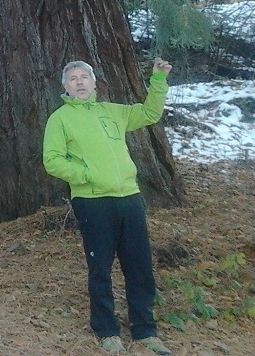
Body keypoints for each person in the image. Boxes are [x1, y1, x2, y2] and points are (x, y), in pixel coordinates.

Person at [42, 57, 174, 356]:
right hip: (92, 202)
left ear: (94, 82)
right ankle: (107, 330)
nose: (79, 82)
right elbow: (52, 160)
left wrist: (158, 80)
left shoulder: (112, 112)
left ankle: (145, 331)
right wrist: (87, 176)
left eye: (84, 77)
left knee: (139, 266)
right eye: (73, 79)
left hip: (129, 197)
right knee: (100, 268)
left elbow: (150, 113)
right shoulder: (60, 119)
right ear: (65, 87)